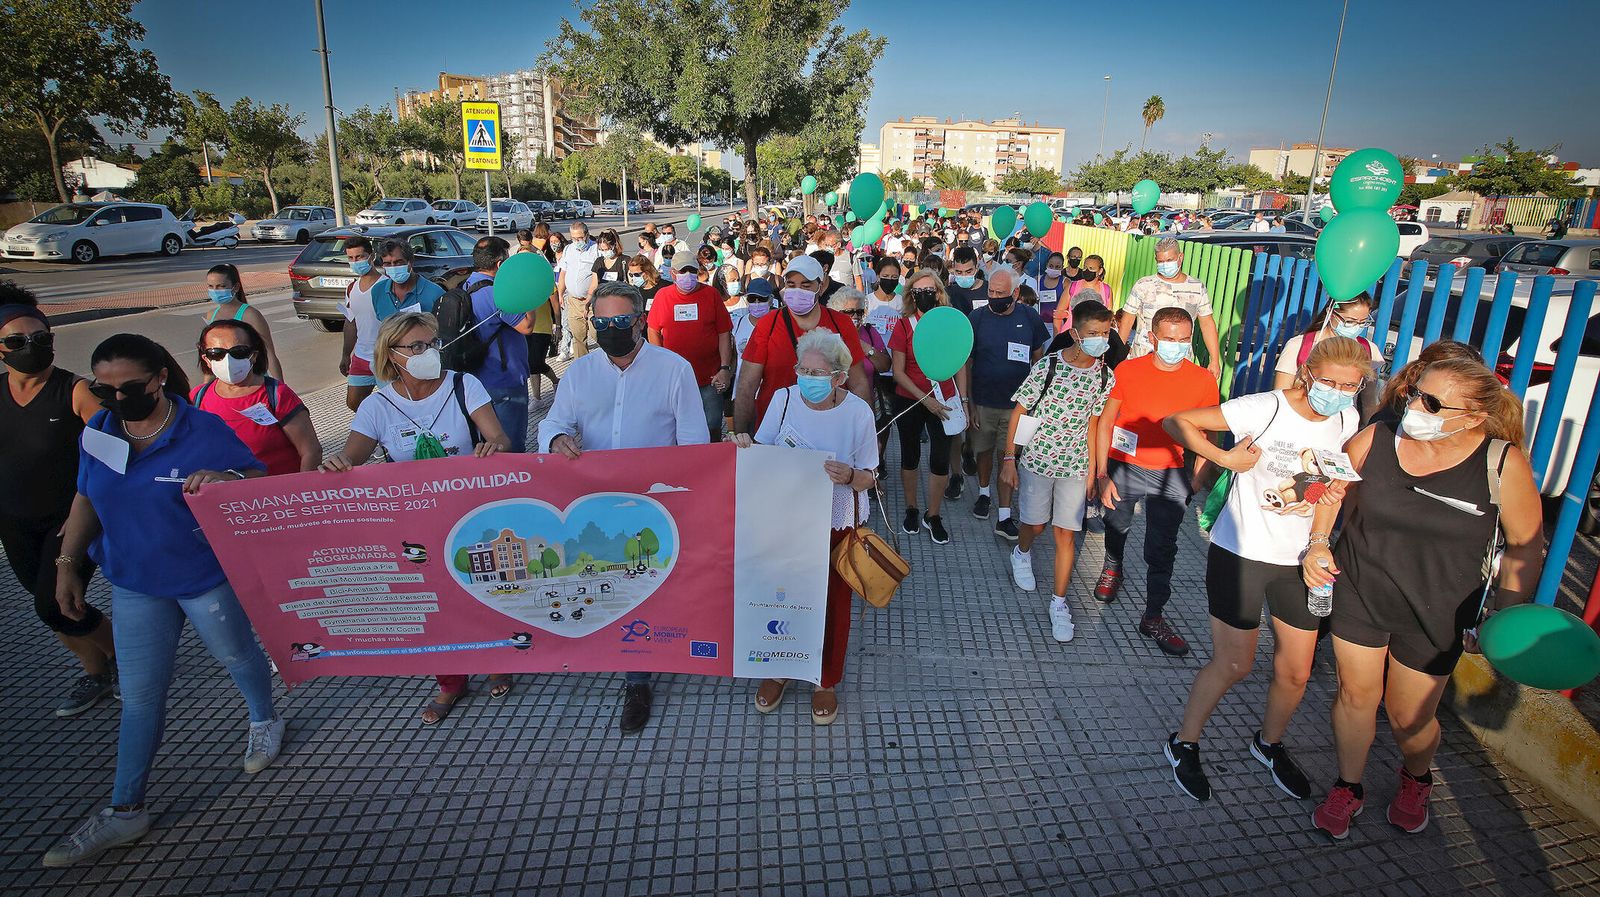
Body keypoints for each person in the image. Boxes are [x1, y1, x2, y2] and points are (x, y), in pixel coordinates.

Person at [44, 334, 284, 868]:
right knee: (140, 695)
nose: (116, 398)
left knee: (236, 655)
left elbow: (256, 477)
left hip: (202, 577)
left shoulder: (203, 428)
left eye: (128, 387)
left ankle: (264, 718)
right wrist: (67, 564)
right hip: (134, 583)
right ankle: (126, 807)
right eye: (103, 389)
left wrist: (226, 479)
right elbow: (85, 498)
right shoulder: (100, 431)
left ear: (157, 378)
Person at [1306, 357, 1543, 839]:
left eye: (1433, 403)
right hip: (1361, 589)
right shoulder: (1378, 436)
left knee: (1408, 719)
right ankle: (1348, 786)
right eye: (1417, 394)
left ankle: (1416, 777)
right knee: (1355, 697)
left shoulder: (1501, 462)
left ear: (1473, 417)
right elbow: (1331, 488)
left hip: (1438, 610)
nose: (1415, 406)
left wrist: (1505, 614)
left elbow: (1525, 543)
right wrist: (1316, 543)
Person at [1159, 336, 1366, 804]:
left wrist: (1327, 502)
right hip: (1243, 550)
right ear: (1308, 373)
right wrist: (1224, 457)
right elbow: (1178, 421)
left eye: (1348, 386)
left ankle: (1268, 744)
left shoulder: (1346, 418)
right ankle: (1183, 742)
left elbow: (1332, 477)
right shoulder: (1264, 407)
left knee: (1295, 671)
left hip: (1301, 560)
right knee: (1234, 662)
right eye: (1328, 381)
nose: (1335, 392)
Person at [320, 312, 511, 723]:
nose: (430, 352)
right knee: (433, 601)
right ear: (393, 354)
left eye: (433, 343)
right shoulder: (378, 404)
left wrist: (491, 448)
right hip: (414, 522)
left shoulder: (464, 384)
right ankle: (450, 679)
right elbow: (352, 458)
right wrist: (338, 463)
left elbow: (499, 437)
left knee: (484, 585)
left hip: (470, 512)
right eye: (418, 347)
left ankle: (499, 657)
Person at [538, 281, 708, 733]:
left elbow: (693, 441)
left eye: (618, 322)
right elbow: (555, 421)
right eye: (600, 323)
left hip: (653, 504)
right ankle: (621, 664)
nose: (609, 329)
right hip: (596, 501)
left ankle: (645, 670)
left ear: (638, 320)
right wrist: (555, 438)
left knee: (649, 584)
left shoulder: (674, 370)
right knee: (608, 582)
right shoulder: (579, 373)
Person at [735, 329, 878, 724]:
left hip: (835, 522)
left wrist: (850, 474)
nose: (807, 377)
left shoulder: (858, 412)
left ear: (839, 376)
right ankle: (780, 669)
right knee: (782, 594)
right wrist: (747, 447)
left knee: (833, 601)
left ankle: (824, 679)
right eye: (803, 369)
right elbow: (763, 452)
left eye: (819, 372)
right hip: (785, 520)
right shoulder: (781, 400)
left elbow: (871, 476)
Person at [0, 288, 116, 717]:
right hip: (13, 520)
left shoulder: (75, 391)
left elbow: (116, 454)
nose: (31, 348)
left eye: (40, 338)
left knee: (53, 602)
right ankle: (95, 670)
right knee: (48, 606)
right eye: (17, 341)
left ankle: (120, 656)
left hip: (69, 520)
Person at [1093, 308, 1219, 656]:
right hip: (1124, 465)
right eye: (1169, 339)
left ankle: (1153, 615)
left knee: (1161, 548)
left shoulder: (1203, 380)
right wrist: (1102, 475)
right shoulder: (1128, 370)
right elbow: (1105, 423)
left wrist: (1197, 478)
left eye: (1183, 340)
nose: (1176, 346)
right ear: (1152, 338)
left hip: (1171, 472)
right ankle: (1112, 566)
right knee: (1116, 524)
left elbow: (1208, 433)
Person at [1001, 300, 1117, 642]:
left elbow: (1094, 426)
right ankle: (1021, 552)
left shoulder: (1105, 376)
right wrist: (1010, 458)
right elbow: (1019, 411)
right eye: (1093, 333)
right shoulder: (1048, 367)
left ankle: (1059, 602)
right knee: (1034, 526)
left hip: (1076, 467)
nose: (1100, 339)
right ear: (1075, 333)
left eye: (1105, 333)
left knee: (1065, 534)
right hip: (1037, 460)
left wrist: (1096, 473)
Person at [732, 254, 870, 437]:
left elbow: (858, 382)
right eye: (791, 285)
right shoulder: (768, 324)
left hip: (831, 428)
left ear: (820, 288)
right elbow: (746, 386)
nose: (798, 291)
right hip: (776, 429)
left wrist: (867, 433)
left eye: (806, 286)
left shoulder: (841, 324)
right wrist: (741, 435)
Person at [964, 267, 1049, 541]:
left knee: (1008, 457)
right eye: (990, 292)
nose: (994, 297)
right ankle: (983, 493)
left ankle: (1004, 515)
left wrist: (1035, 403)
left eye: (1000, 293)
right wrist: (970, 402)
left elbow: (1039, 359)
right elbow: (968, 362)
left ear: (1015, 293)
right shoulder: (977, 318)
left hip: (1017, 407)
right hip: (984, 402)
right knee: (984, 451)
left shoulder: (1030, 318)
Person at [888, 269, 968, 545]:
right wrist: (926, 400)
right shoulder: (903, 325)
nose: (925, 296)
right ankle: (911, 508)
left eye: (930, 291)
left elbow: (959, 366)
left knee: (940, 459)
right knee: (910, 455)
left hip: (944, 399)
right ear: (911, 294)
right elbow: (898, 371)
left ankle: (933, 515)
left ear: (939, 293)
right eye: (919, 291)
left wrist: (964, 402)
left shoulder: (949, 323)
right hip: (910, 399)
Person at [191, 320, 320, 475]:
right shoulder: (198, 398)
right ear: (206, 359)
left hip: (276, 496)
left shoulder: (277, 395)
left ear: (253, 356)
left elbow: (311, 451)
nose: (227, 361)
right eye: (216, 353)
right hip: (225, 496)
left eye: (238, 352)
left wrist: (301, 492)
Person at [647, 257, 735, 440]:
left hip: (709, 378)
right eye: (682, 271)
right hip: (674, 379)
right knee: (675, 426)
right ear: (673, 274)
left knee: (712, 425)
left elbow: (724, 333)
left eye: (692, 271)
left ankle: (713, 462)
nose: (687, 275)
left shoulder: (711, 295)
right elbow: (653, 330)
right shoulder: (663, 296)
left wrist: (725, 368)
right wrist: (659, 366)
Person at [462, 236, 536, 452]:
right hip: (505, 380)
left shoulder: (467, 285)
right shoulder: (497, 293)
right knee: (509, 447)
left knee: (485, 445)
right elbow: (526, 326)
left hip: (476, 378)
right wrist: (528, 294)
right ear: (500, 264)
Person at [1117, 238, 1222, 378]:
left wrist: (1214, 360)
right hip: (1143, 359)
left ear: (1181, 257)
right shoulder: (1144, 285)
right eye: (1160, 261)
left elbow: (1207, 323)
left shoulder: (1197, 288)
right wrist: (1116, 355)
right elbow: (1128, 319)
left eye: (1169, 260)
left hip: (1181, 363)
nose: (1165, 265)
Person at [1272, 293, 1386, 406]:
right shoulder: (1298, 345)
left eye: (1362, 323)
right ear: (1330, 312)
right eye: (1350, 321)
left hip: (1343, 420)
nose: (1356, 327)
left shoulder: (1368, 349)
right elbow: (1281, 396)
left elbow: (1368, 402)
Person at [201, 264, 284, 382]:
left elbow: (269, 353)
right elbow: (210, 358)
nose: (215, 291)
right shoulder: (211, 315)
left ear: (235, 287)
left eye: (221, 286)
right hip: (224, 384)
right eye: (211, 286)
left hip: (251, 381)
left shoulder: (250, 314)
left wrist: (280, 387)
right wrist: (205, 388)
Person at [337, 235, 388, 412]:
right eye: (350, 258)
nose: (355, 261)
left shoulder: (387, 285)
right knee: (354, 403)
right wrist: (345, 354)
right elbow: (351, 323)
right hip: (361, 357)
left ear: (371, 256)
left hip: (385, 359)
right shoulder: (351, 288)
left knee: (396, 404)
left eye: (359, 257)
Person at [370, 238, 446, 332]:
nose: (393, 267)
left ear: (410, 262)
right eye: (388, 264)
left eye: (398, 262)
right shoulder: (378, 291)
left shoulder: (435, 293)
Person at [556, 221, 601, 359]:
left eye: (580, 238)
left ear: (587, 235)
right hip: (573, 300)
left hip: (593, 301)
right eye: (574, 238)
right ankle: (582, 367)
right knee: (578, 337)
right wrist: (560, 294)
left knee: (597, 334)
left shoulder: (596, 249)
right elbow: (563, 273)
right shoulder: (569, 249)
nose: (577, 241)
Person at [945, 246, 987, 314]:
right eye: (959, 272)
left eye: (968, 272)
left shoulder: (989, 290)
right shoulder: (948, 293)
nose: (964, 276)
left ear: (977, 268)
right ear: (953, 269)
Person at [1036, 251, 1070, 332]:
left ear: (1062, 267)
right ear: (1046, 265)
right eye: (1051, 266)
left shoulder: (1066, 282)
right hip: (1038, 323)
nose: (1053, 269)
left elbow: (1070, 304)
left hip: (1056, 325)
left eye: (1057, 267)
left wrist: (1066, 313)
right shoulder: (1037, 280)